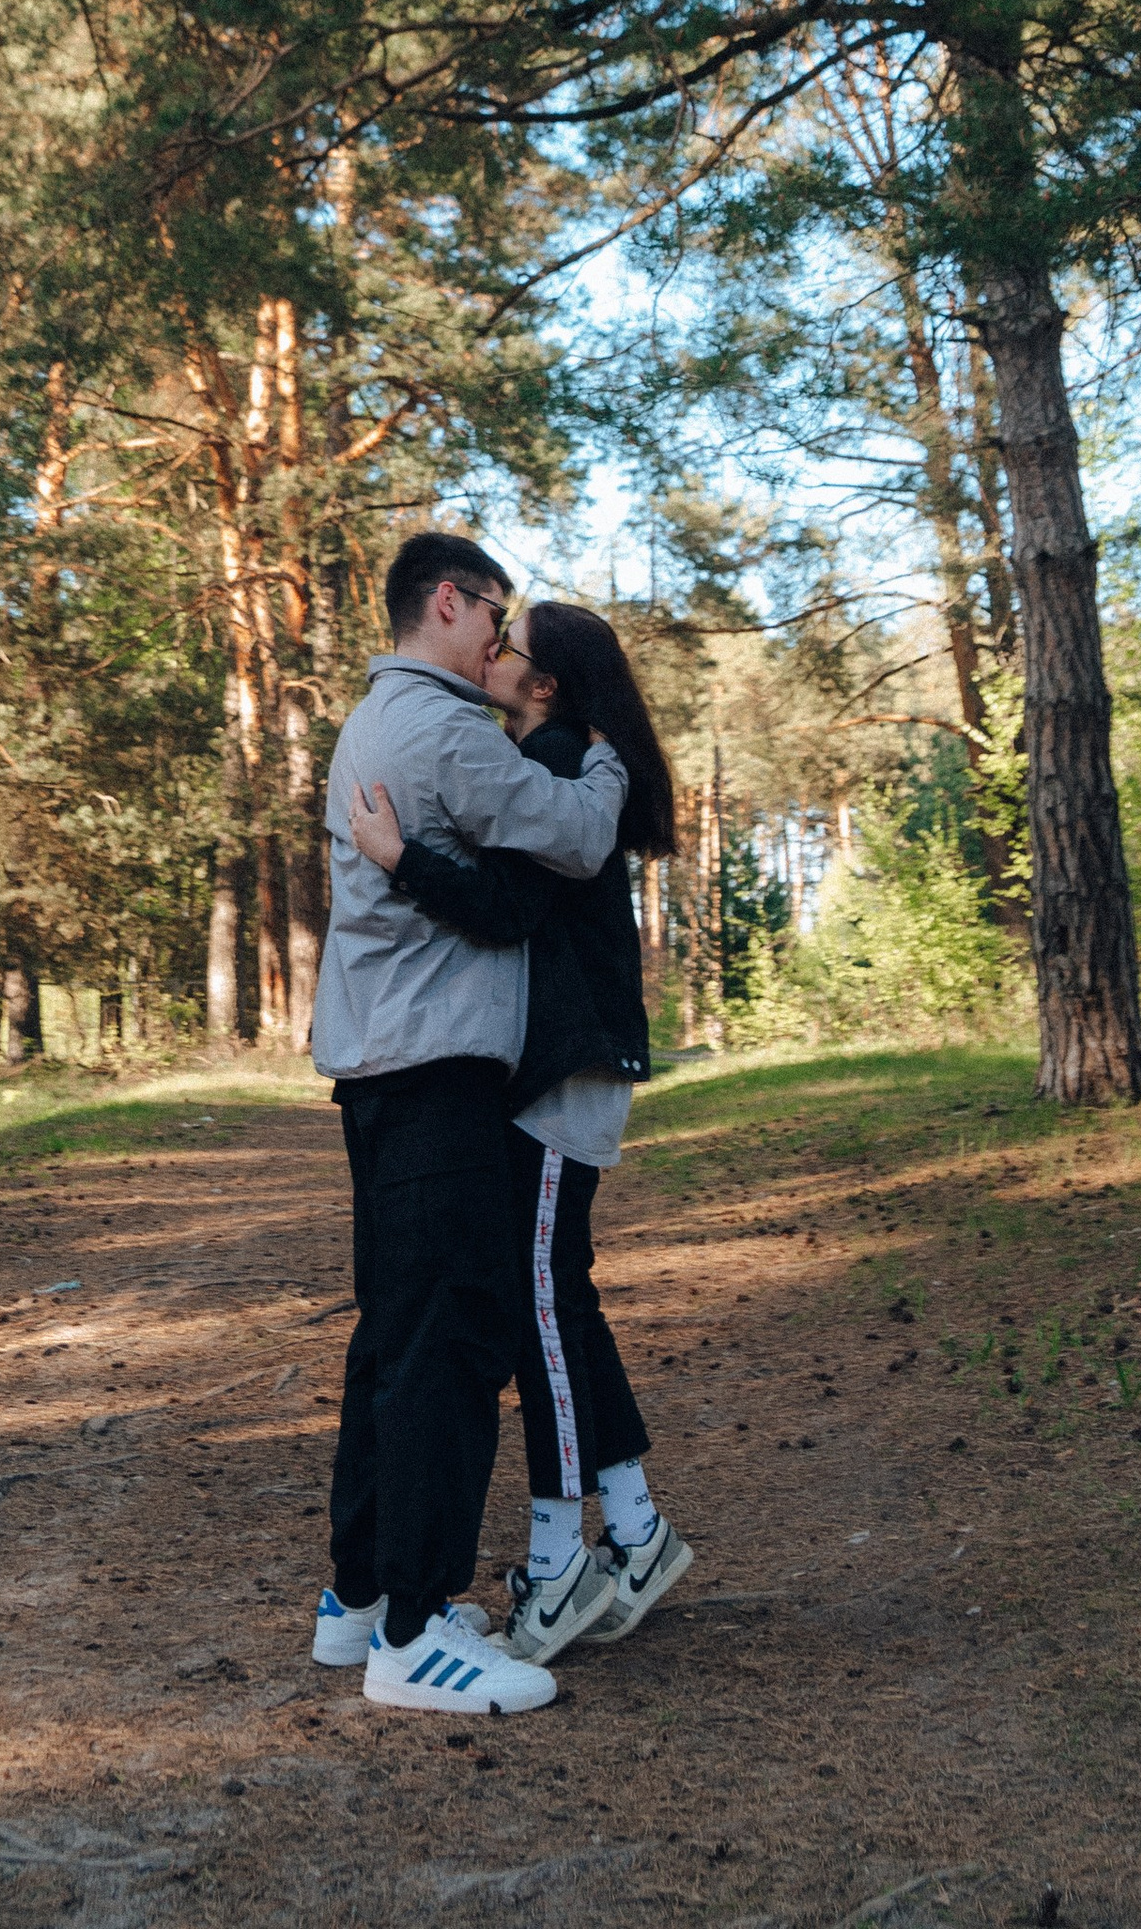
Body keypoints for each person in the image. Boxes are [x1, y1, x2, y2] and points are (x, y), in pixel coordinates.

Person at [309, 529, 629, 1719]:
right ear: (447, 601)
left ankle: (357, 1602)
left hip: (385, 1066)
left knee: (392, 1339)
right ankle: (413, 1631)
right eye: (492, 609)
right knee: (447, 1345)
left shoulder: (374, 720)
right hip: (436, 1069)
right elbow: (579, 837)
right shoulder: (441, 728)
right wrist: (600, 760)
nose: (501, 632)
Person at [345, 596, 691, 1670]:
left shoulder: (555, 758)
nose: (491, 656)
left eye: (512, 649)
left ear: (544, 681)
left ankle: (563, 1557)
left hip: (563, 1071)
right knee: (555, 1297)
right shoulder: (554, 753)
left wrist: (401, 858)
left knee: (539, 1304)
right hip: (559, 1069)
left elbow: (504, 906)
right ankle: (629, 1532)